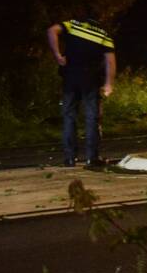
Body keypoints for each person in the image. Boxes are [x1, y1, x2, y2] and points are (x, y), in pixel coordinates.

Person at [46, 12, 116, 167]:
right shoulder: (104, 35)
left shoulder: (73, 25)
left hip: (70, 78)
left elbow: (51, 30)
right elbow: (110, 62)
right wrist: (109, 83)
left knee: (69, 116)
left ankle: (70, 158)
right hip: (91, 80)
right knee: (92, 118)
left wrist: (57, 55)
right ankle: (92, 157)